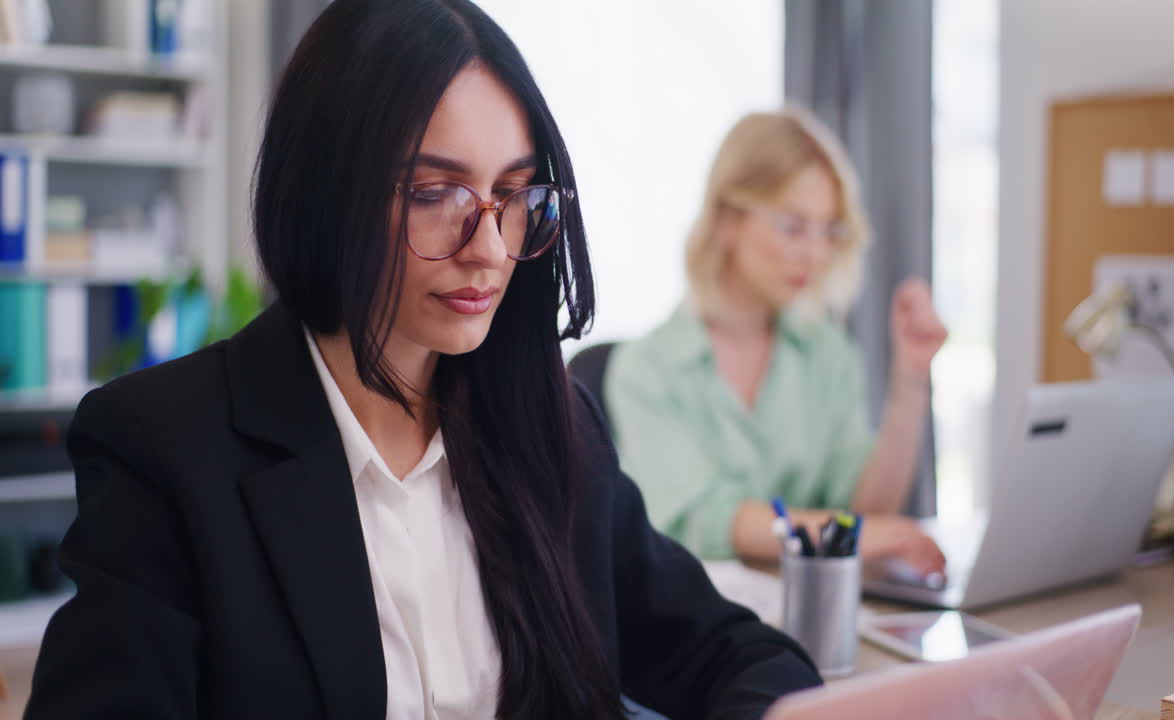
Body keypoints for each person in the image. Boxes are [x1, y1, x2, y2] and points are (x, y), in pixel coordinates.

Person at [22, 3, 821, 718]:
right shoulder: (167, 447)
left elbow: (736, 656)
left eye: (513, 196)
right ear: (327, 193)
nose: (489, 250)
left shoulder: (550, 426)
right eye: (434, 194)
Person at [605, 109, 949, 574]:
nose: (815, 253)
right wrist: (854, 533)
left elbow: (868, 509)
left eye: (828, 230)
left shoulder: (826, 353)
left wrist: (910, 380)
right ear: (727, 219)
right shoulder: (646, 370)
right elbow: (706, 519)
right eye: (792, 226)